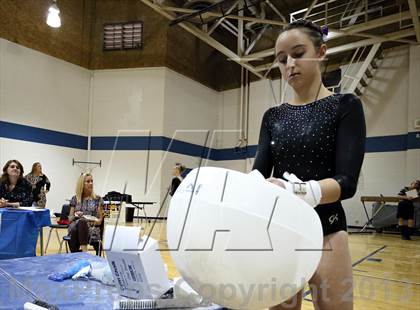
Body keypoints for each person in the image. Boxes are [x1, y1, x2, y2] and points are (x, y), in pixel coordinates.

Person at [253, 19, 366, 310]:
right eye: (281, 59)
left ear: (321, 51)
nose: (289, 64)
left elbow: (346, 182)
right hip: (280, 233)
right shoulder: (273, 116)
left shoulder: (345, 106)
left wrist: (296, 190)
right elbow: (259, 173)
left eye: (298, 53)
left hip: (327, 231)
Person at [68, 173, 104, 254]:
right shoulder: (75, 199)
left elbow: (100, 221)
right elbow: (70, 218)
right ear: (81, 184)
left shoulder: (98, 199)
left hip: (92, 228)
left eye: (92, 181)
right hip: (76, 225)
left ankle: (79, 254)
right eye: (88, 181)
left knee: (77, 228)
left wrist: (92, 220)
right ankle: (84, 253)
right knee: (79, 224)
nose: (91, 183)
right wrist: (75, 215)